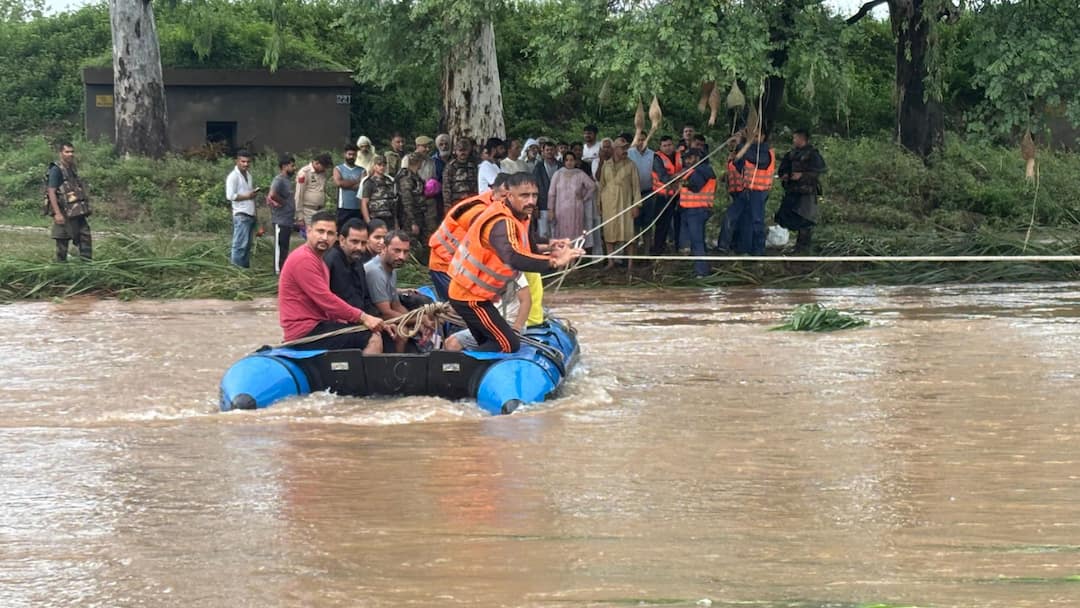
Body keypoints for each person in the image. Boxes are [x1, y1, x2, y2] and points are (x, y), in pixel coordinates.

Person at [448, 172, 583, 353]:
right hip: (469, 296)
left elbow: (530, 246)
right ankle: (462, 367)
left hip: (480, 296)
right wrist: (554, 262)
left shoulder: (521, 217)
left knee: (497, 341)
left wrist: (552, 247)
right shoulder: (501, 222)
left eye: (534, 195)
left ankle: (467, 362)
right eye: (524, 195)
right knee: (507, 344)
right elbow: (513, 257)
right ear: (509, 196)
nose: (531, 201)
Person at [278, 210, 384, 354]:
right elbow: (326, 300)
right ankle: (364, 377)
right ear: (309, 231)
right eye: (320, 231)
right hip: (305, 332)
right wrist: (363, 317)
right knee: (372, 338)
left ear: (335, 237)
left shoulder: (319, 260)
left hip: (318, 325)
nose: (324, 237)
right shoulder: (304, 259)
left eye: (329, 233)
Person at [427, 173, 510, 301]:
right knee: (459, 310)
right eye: (504, 196)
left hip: (458, 265)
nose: (506, 200)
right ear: (494, 192)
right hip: (444, 263)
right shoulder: (479, 211)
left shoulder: (495, 207)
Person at [776, 129, 827, 253]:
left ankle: (803, 247)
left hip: (807, 192)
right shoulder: (791, 154)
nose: (794, 140)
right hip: (792, 191)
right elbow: (782, 169)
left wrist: (802, 175)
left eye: (796, 138)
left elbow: (819, 171)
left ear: (803, 139)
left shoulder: (813, 154)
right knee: (787, 216)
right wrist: (786, 175)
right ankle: (796, 244)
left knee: (805, 219)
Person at [365, 230, 415, 353]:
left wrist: (418, 319)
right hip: (370, 318)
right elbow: (386, 313)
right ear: (384, 248)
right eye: (397, 251)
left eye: (405, 252)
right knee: (402, 333)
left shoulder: (391, 269)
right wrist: (418, 320)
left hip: (381, 316)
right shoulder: (375, 271)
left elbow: (396, 305)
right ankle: (397, 367)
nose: (401, 257)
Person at [45, 141, 93, 262]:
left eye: (72, 152)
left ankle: (87, 267)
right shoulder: (56, 169)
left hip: (77, 211)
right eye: (67, 152)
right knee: (62, 242)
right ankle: (60, 269)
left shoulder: (71, 168)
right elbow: (51, 192)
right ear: (60, 153)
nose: (70, 154)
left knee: (85, 237)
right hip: (64, 212)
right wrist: (57, 213)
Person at [324, 218, 380, 318]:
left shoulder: (357, 260)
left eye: (363, 243)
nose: (359, 247)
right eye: (354, 242)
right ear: (342, 240)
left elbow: (365, 298)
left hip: (361, 318)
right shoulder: (330, 260)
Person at [599, 137, 640, 269]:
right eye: (622, 148)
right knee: (609, 233)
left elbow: (636, 187)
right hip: (608, 204)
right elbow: (601, 185)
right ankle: (611, 262)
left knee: (629, 234)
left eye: (626, 147)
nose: (625, 150)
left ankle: (630, 264)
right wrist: (599, 204)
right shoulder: (606, 165)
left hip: (626, 203)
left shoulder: (631, 164)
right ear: (615, 149)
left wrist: (636, 205)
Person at [734, 128, 775, 255]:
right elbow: (740, 164)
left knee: (757, 220)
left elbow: (757, 161)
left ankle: (758, 251)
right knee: (745, 220)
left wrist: (742, 145)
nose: (753, 138)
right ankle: (745, 248)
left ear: (763, 137)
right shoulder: (751, 150)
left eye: (756, 136)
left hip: (759, 191)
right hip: (748, 189)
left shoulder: (765, 151)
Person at [677, 148, 717, 278]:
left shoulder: (702, 170)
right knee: (696, 241)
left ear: (697, 158)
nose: (687, 161)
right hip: (691, 210)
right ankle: (701, 268)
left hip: (697, 210)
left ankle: (701, 272)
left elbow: (695, 186)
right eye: (686, 158)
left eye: (689, 158)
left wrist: (681, 182)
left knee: (697, 241)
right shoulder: (697, 170)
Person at [549, 151, 596, 245]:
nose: (569, 162)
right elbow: (551, 193)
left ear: (575, 161)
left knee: (575, 233)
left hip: (576, 209)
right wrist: (551, 210)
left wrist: (584, 197)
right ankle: (563, 257)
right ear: (564, 162)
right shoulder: (558, 174)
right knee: (561, 234)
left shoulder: (580, 173)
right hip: (560, 210)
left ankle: (574, 258)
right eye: (567, 160)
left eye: (571, 160)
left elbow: (592, 186)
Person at [225, 149, 260, 268]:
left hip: (250, 213)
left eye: (248, 162)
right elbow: (230, 196)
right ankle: (235, 271)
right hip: (241, 213)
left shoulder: (248, 175)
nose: (246, 164)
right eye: (243, 161)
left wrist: (256, 214)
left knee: (247, 245)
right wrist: (247, 196)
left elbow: (251, 196)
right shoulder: (233, 177)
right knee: (239, 245)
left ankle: (244, 270)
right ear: (237, 161)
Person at [650, 136, 682, 255]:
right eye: (665, 146)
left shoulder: (679, 156)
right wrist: (678, 176)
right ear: (660, 147)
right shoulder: (657, 158)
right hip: (663, 195)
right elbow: (663, 176)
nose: (668, 148)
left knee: (679, 221)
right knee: (662, 224)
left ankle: (678, 247)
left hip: (678, 194)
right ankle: (658, 249)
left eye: (669, 145)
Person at [398, 152, 435, 253]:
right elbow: (407, 201)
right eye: (420, 162)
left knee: (423, 241)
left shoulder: (416, 177)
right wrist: (412, 222)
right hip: (410, 217)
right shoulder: (407, 178)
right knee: (411, 243)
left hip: (420, 214)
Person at [267, 154, 297, 274]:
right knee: (280, 247)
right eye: (292, 165)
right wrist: (283, 203)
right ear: (284, 166)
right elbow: (272, 194)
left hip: (288, 220)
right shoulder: (278, 180)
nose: (294, 168)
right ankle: (278, 271)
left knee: (285, 247)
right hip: (280, 220)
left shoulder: (288, 180)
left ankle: (283, 270)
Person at [360, 155, 400, 229]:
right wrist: (368, 221)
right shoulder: (369, 182)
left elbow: (394, 202)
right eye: (379, 165)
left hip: (389, 218)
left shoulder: (390, 181)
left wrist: (396, 222)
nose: (382, 167)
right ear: (374, 166)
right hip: (376, 218)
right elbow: (364, 203)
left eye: (384, 165)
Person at [532, 140, 560, 238]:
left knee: (556, 232)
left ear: (555, 151)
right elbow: (534, 186)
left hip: (559, 204)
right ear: (543, 151)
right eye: (547, 150)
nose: (549, 152)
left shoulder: (560, 166)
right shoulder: (538, 167)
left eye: (551, 150)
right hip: (542, 205)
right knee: (543, 233)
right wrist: (535, 206)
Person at [295, 153, 331, 227]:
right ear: (317, 163)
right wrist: (300, 216)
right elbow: (299, 194)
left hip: (321, 210)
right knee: (311, 234)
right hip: (308, 210)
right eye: (324, 166)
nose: (325, 168)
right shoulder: (304, 173)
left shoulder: (322, 173)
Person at [333, 144, 365, 227]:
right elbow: (339, 183)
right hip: (343, 207)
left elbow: (362, 186)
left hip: (358, 207)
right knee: (341, 231)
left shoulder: (362, 170)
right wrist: (358, 181)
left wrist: (346, 184)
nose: (351, 157)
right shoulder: (338, 169)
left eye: (354, 155)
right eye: (349, 154)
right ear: (344, 154)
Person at [443, 139, 479, 209]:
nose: (462, 153)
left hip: (472, 201)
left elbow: (477, 184)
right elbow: (446, 188)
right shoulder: (450, 166)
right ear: (456, 151)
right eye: (460, 150)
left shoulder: (473, 165)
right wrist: (447, 207)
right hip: (456, 203)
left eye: (465, 150)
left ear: (469, 151)